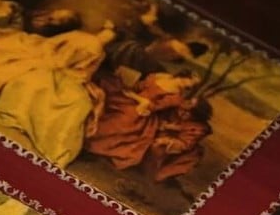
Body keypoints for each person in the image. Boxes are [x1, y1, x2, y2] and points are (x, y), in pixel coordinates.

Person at [0, 25, 116, 166]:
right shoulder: (81, 38)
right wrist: (55, 62)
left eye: (109, 38)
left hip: (67, 75)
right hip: (50, 62)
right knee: (36, 83)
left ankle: (50, 144)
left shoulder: (98, 50)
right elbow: (55, 48)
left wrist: (71, 75)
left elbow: (83, 72)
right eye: (106, 35)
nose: (105, 39)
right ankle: (21, 120)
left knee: (78, 101)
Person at [83, 71, 211, 183]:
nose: (190, 85)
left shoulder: (177, 97)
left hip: (144, 112)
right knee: (108, 94)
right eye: (191, 81)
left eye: (193, 85)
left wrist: (139, 100)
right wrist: (133, 94)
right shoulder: (161, 76)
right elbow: (139, 86)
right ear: (186, 76)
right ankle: (85, 132)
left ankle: (92, 144)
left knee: (126, 118)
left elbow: (153, 107)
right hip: (131, 98)